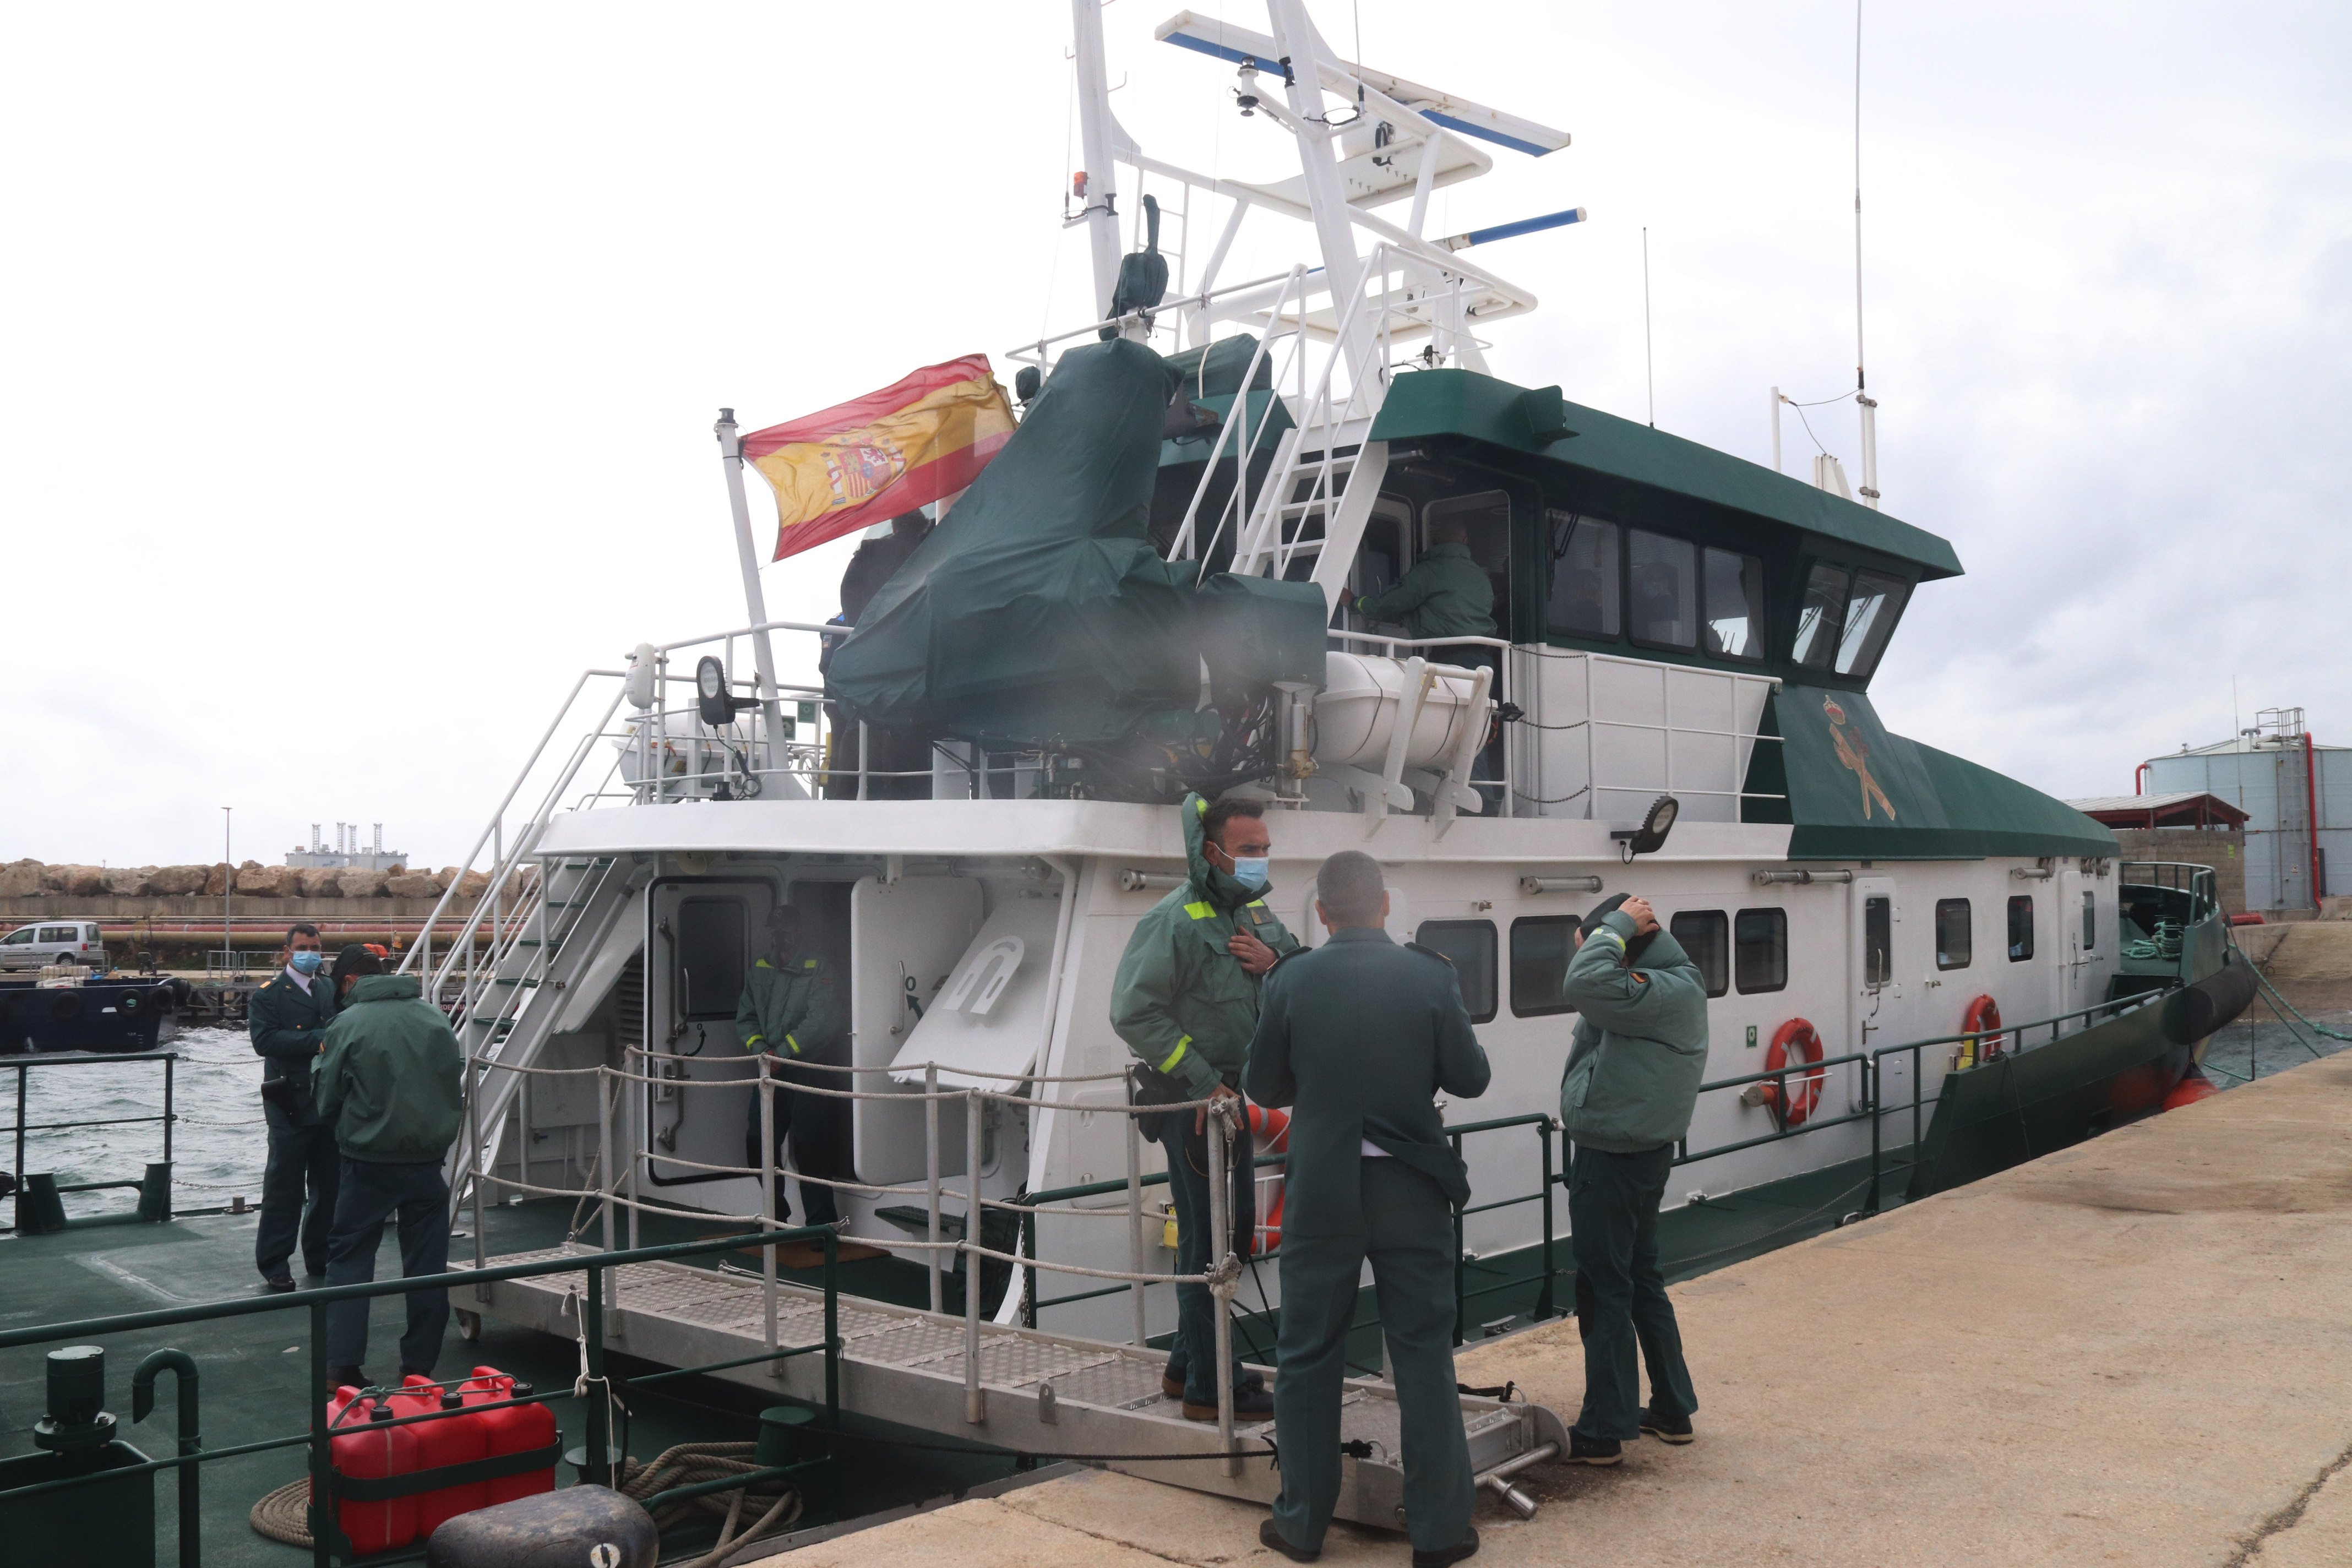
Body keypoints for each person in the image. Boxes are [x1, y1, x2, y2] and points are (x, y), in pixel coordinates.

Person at [1244, 850, 1490, 1567]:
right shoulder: (1430, 973)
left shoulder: (1292, 977)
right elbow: (1470, 1079)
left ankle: (1299, 1527)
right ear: (1385, 905)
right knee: (1421, 1356)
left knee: (1307, 1355)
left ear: (1321, 913)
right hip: (1411, 1187)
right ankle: (1441, 1533)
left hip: (1322, 1187)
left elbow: (1265, 1082)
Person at [1110, 793, 1299, 1423]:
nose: (1259, 859)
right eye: (1249, 850)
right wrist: (1202, 1080)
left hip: (1233, 1099)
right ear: (1212, 851)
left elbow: (1299, 971)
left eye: (1264, 848)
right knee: (1209, 1242)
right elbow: (1134, 1011)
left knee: (1231, 1231)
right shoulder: (1175, 920)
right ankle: (1212, 1385)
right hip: (1195, 1105)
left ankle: (1183, 1365)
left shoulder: (1256, 911)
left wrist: (1274, 963)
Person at [1558, 892, 1707, 1463]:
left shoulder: (1663, 987)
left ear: (1625, 945)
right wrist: (1612, 936)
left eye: (1598, 946)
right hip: (1638, 1152)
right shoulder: (1665, 983)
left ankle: (1604, 1429)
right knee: (1642, 1277)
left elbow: (1581, 984)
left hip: (1612, 1158)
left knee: (1604, 1287)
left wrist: (1611, 927)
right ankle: (1671, 1409)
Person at [313, 948, 465, 1389]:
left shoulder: (348, 1023)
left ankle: (342, 1366)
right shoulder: (435, 1018)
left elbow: (326, 1097)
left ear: (348, 984)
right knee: (427, 1266)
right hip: (426, 1164)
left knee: (350, 1259)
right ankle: (419, 1367)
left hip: (367, 1163)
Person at [737, 904, 848, 1228]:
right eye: (776, 931)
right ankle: (776, 1217)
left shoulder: (819, 967)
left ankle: (821, 1226)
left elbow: (822, 1021)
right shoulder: (760, 968)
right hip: (769, 1070)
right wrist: (763, 1052)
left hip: (807, 1069)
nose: (781, 936)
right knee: (758, 1142)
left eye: (787, 929)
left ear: (799, 930)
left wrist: (782, 1053)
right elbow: (744, 1018)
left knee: (810, 1148)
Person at [249, 921, 339, 1292]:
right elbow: (264, 1040)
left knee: (329, 1185)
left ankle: (320, 1256)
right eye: (303, 947)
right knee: (284, 1186)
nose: (311, 954)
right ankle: (275, 1264)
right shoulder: (269, 994)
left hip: (325, 1098)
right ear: (288, 952)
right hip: (288, 1100)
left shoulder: (327, 986)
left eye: (316, 947)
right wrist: (315, 1040)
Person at [1352, 515, 1496, 643]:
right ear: (1465, 541)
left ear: (1436, 539)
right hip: (1483, 659)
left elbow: (1393, 601)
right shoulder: (1482, 577)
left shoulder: (1429, 571)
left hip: (1450, 660)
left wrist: (1355, 603)